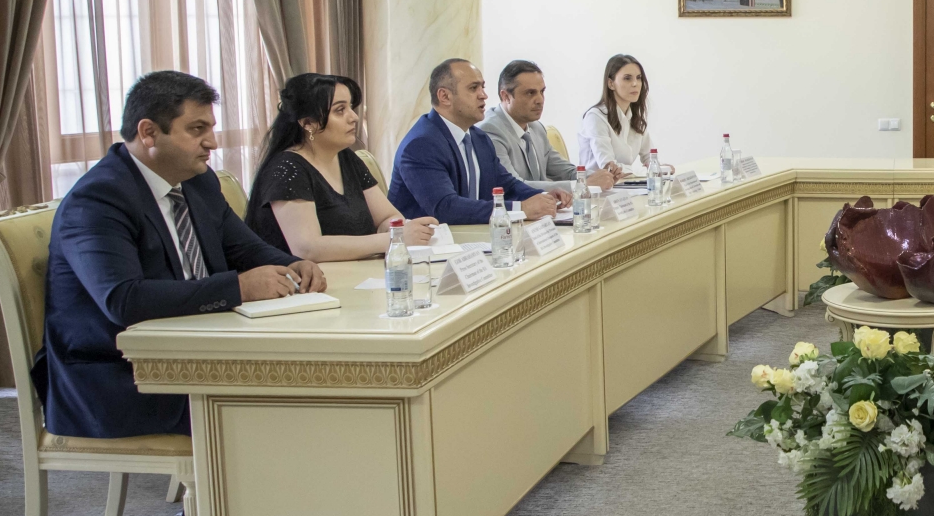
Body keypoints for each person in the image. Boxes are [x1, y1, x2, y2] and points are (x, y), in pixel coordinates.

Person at [35, 73, 326, 450]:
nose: (213, 142)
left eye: (211, 128)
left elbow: (245, 249)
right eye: (197, 129)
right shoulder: (98, 200)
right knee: (281, 405)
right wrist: (238, 288)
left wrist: (293, 265)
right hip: (119, 379)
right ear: (149, 133)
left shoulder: (198, 182)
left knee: (310, 383)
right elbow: (124, 300)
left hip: (199, 352)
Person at [246, 73, 439, 259]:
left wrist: (399, 230)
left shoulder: (346, 158)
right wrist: (391, 240)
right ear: (308, 123)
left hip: (353, 272)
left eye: (351, 107)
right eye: (340, 110)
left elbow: (386, 217)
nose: (354, 117)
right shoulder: (288, 168)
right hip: (301, 279)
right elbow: (307, 248)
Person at [388, 58, 563, 224]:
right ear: (445, 96)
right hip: (428, 242)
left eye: (482, 87)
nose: (483, 95)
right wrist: (521, 208)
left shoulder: (479, 138)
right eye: (473, 88)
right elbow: (445, 208)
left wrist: (543, 196)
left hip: (471, 237)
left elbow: (507, 185)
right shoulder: (422, 144)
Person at [478, 59, 615, 194]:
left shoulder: (536, 128)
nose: (540, 100)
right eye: (530, 93)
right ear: (506, 96)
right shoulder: (490, 131)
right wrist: (581, 185)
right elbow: (514, 186)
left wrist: (601, 176)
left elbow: (563, 170)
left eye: (542, 92)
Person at [576, 54, 656, 177]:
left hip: (626, 184)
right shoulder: (595, 117)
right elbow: (609, 168)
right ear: (611, 83)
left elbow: (650, 157)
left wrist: (660, 168)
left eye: (639, 78)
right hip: (597, 187)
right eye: (627, 78)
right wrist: (645, 171)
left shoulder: (635, 117)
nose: (635, 83)